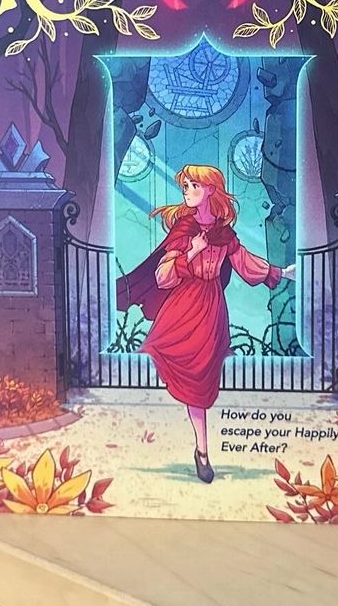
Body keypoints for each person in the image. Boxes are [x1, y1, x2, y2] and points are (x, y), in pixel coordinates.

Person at [115, 163, 292, 483]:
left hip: (210, 309)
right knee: (152, 355)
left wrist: (277, 272)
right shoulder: (184, 230)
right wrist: (191, 253)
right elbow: (163, 277)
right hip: (181, 306)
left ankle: (202, 451)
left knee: (201, 380)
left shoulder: (225, 234)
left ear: (210, 189)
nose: (187, 191)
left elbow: (245, 263)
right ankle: (140, 435)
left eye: (193, 185)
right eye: (185, 186)